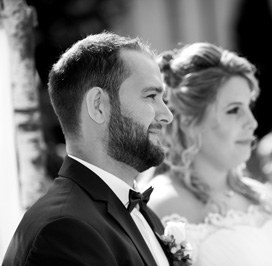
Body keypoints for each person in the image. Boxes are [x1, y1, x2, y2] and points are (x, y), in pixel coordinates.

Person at [2, 31, 174, 266]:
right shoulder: (65, 230)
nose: (167, 115)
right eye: (151, 96)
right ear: (98, 106)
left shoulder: (143, 213)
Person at [144, 42, 272, 266]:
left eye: (249, 107)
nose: (252, 122)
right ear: (189, 121)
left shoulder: (262, 196)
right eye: (233, 110)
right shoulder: (164, 207)